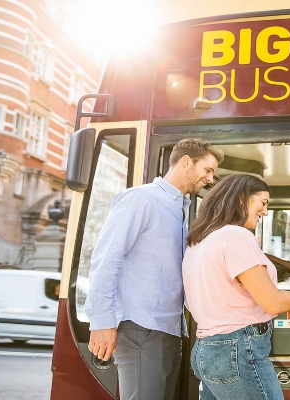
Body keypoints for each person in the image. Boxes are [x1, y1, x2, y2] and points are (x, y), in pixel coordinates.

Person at [182, 174, 290, 400]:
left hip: (206, 349)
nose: (265, 212)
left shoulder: (200, 239)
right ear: (241, 198)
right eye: (263, 203)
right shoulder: (236, 235)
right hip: (238, 350)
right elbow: (272, 302)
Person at [85, 138, 223, 400]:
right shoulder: (141, 198)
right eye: (207, 170)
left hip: (169, 329)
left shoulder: (180, 208)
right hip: (141, 328)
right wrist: (102, 322)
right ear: (186, 162)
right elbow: (106, 259)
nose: (210, 178)